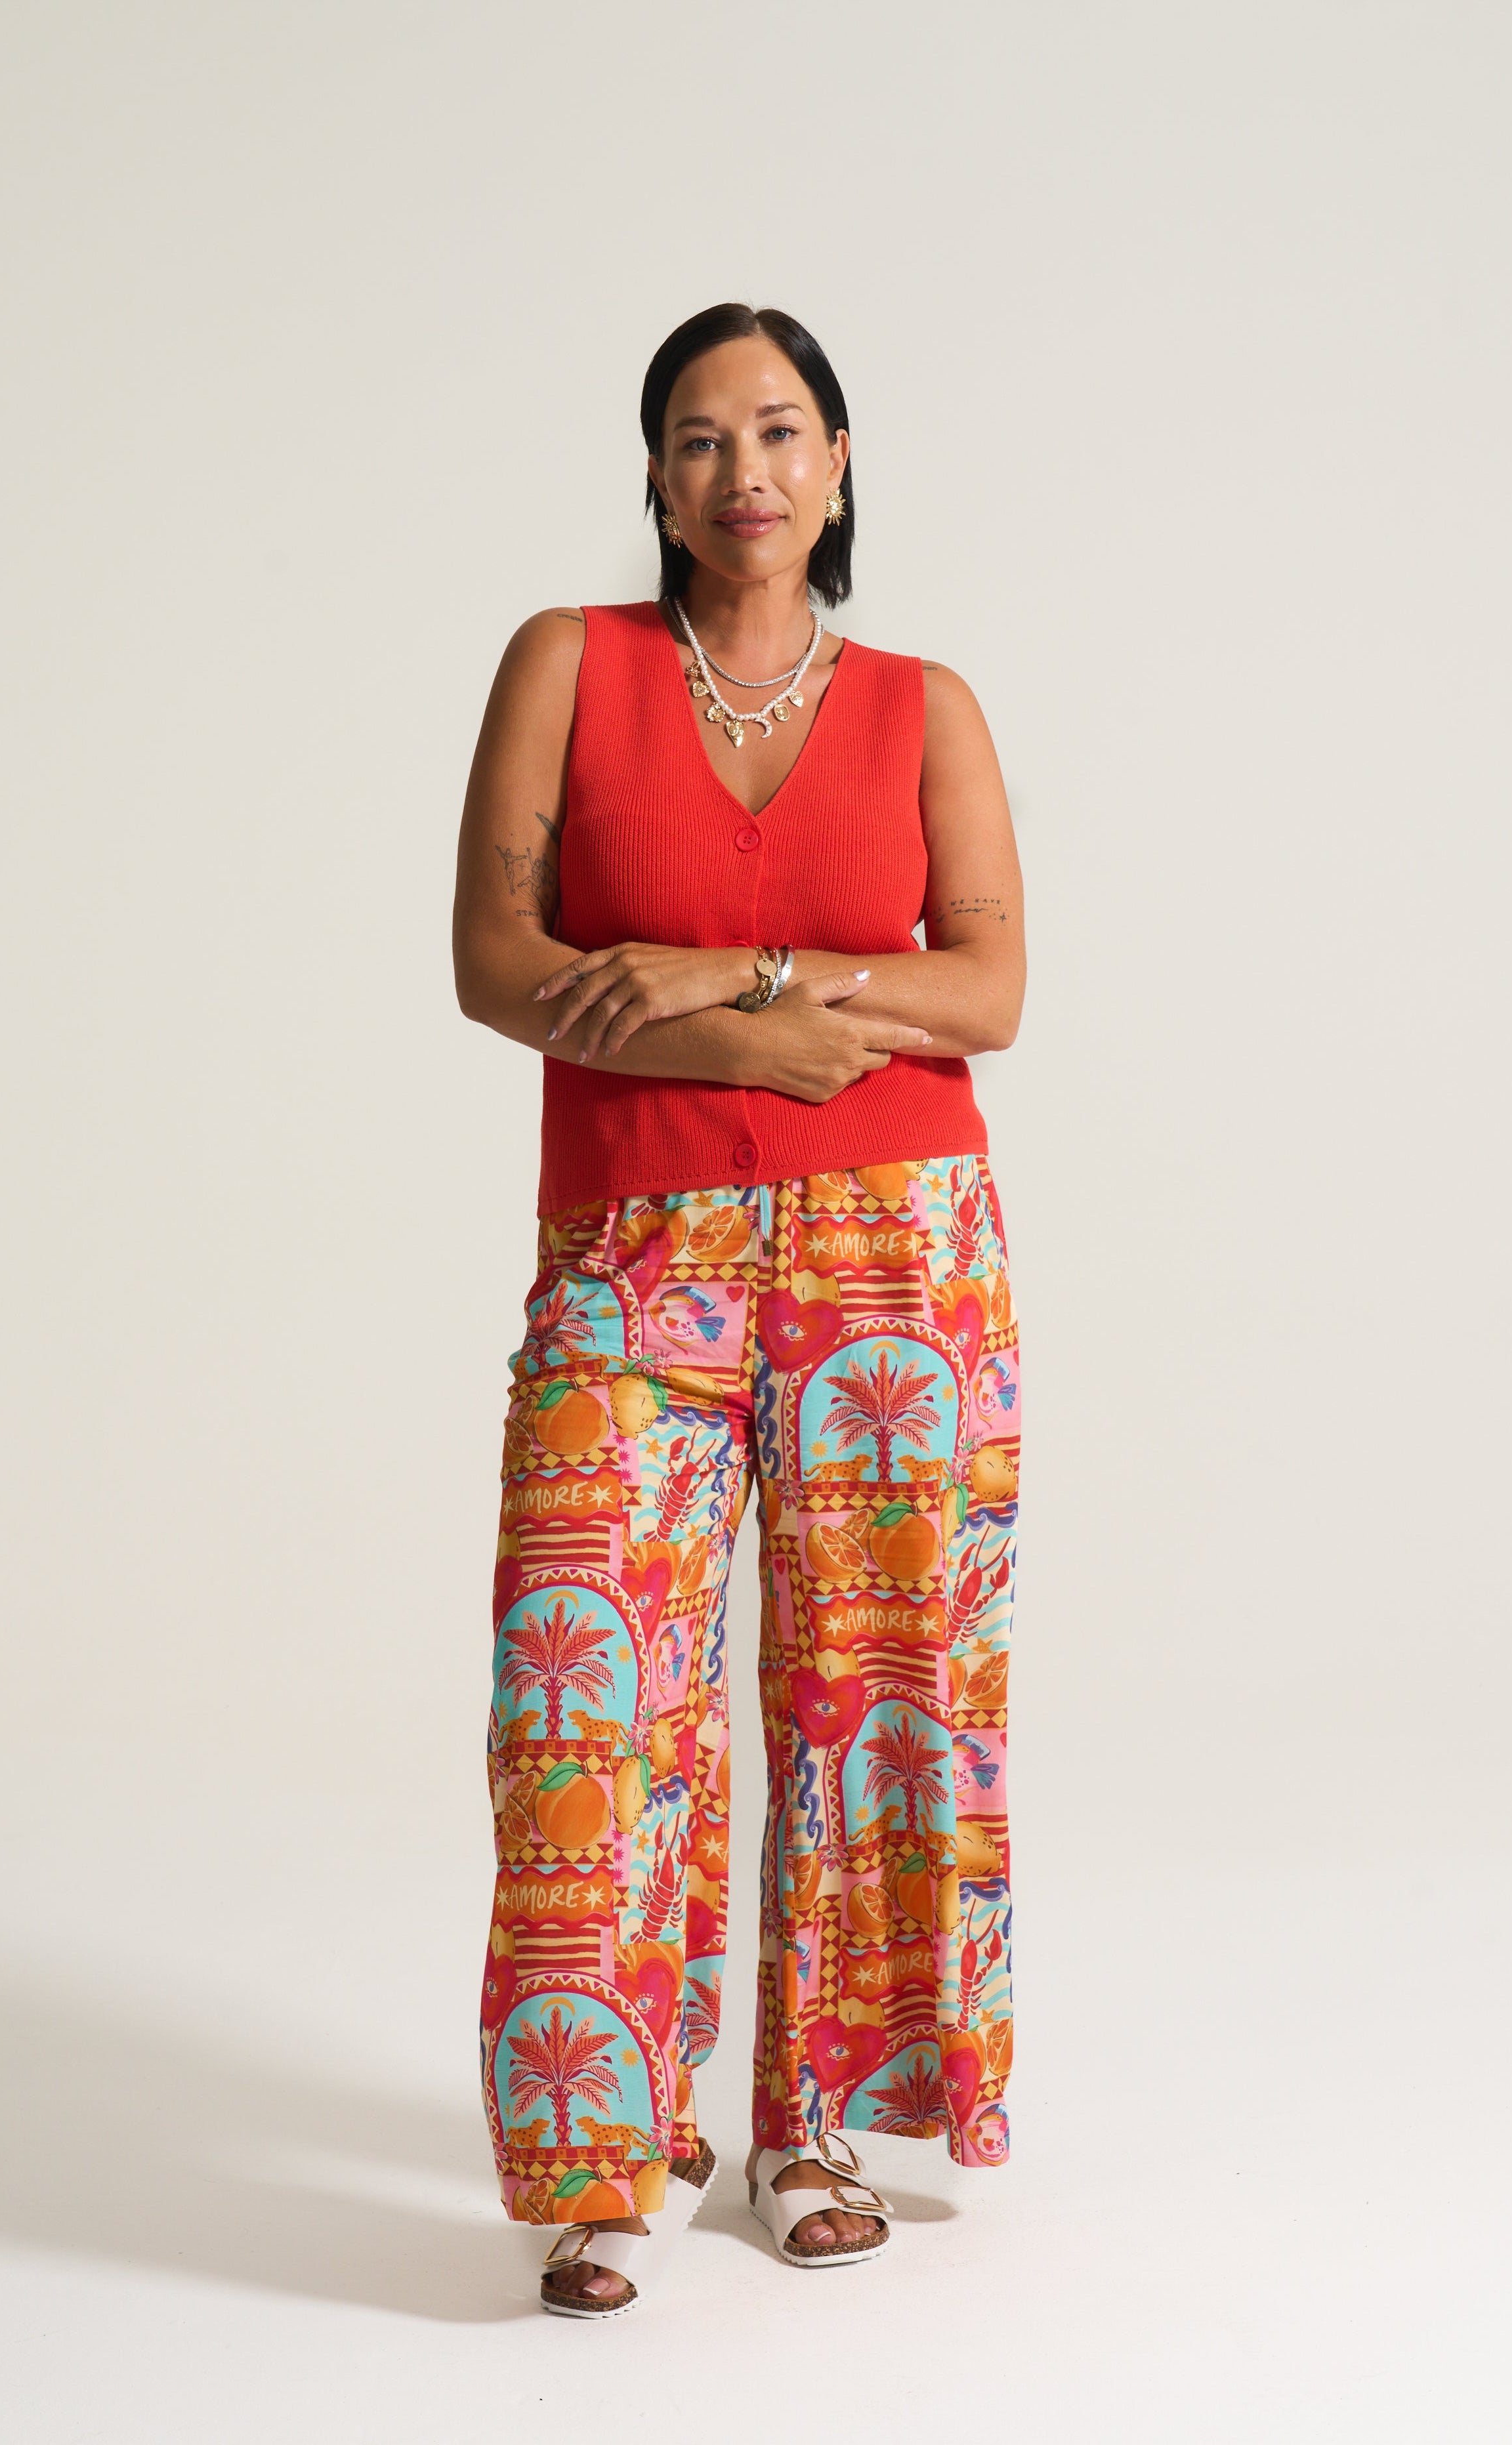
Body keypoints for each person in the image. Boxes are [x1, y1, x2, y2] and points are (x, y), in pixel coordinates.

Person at [452, 303, 1025, 2316]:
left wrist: (739, 980)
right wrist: (721, 987)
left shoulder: (921, 704)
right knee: (581, 1697)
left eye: (779, 433)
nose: (742, 473)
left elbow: (987, 995)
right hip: (635, 1247)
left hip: (896, 1245)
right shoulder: (569, 665)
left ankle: (810, 2124)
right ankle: (601, 2152)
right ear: (653, 477)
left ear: (842, 462)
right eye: (697, 440)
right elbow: (494, 961)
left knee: (872, 1689)